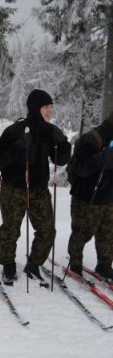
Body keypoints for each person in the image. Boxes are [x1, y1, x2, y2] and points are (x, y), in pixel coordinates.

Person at [0, 89, 70, 284]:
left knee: (47, 230)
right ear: (35, 108)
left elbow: (61, 160)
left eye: (51, 107)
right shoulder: (15, 130)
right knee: (11, 230)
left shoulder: (50, 131)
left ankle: (34, 264)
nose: (49, 111)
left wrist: (63, 144)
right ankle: (8, 265)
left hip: (39, 189)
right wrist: (17, 147)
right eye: (46, 107)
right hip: (14, 188)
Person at [66, 111, 113, 283]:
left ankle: (104, 265)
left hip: (108, 197)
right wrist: (100, 159)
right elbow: (79, 169)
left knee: (108, 235)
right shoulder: (92, 139)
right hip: (87, 197)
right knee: (82, 232)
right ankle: (75, 263)